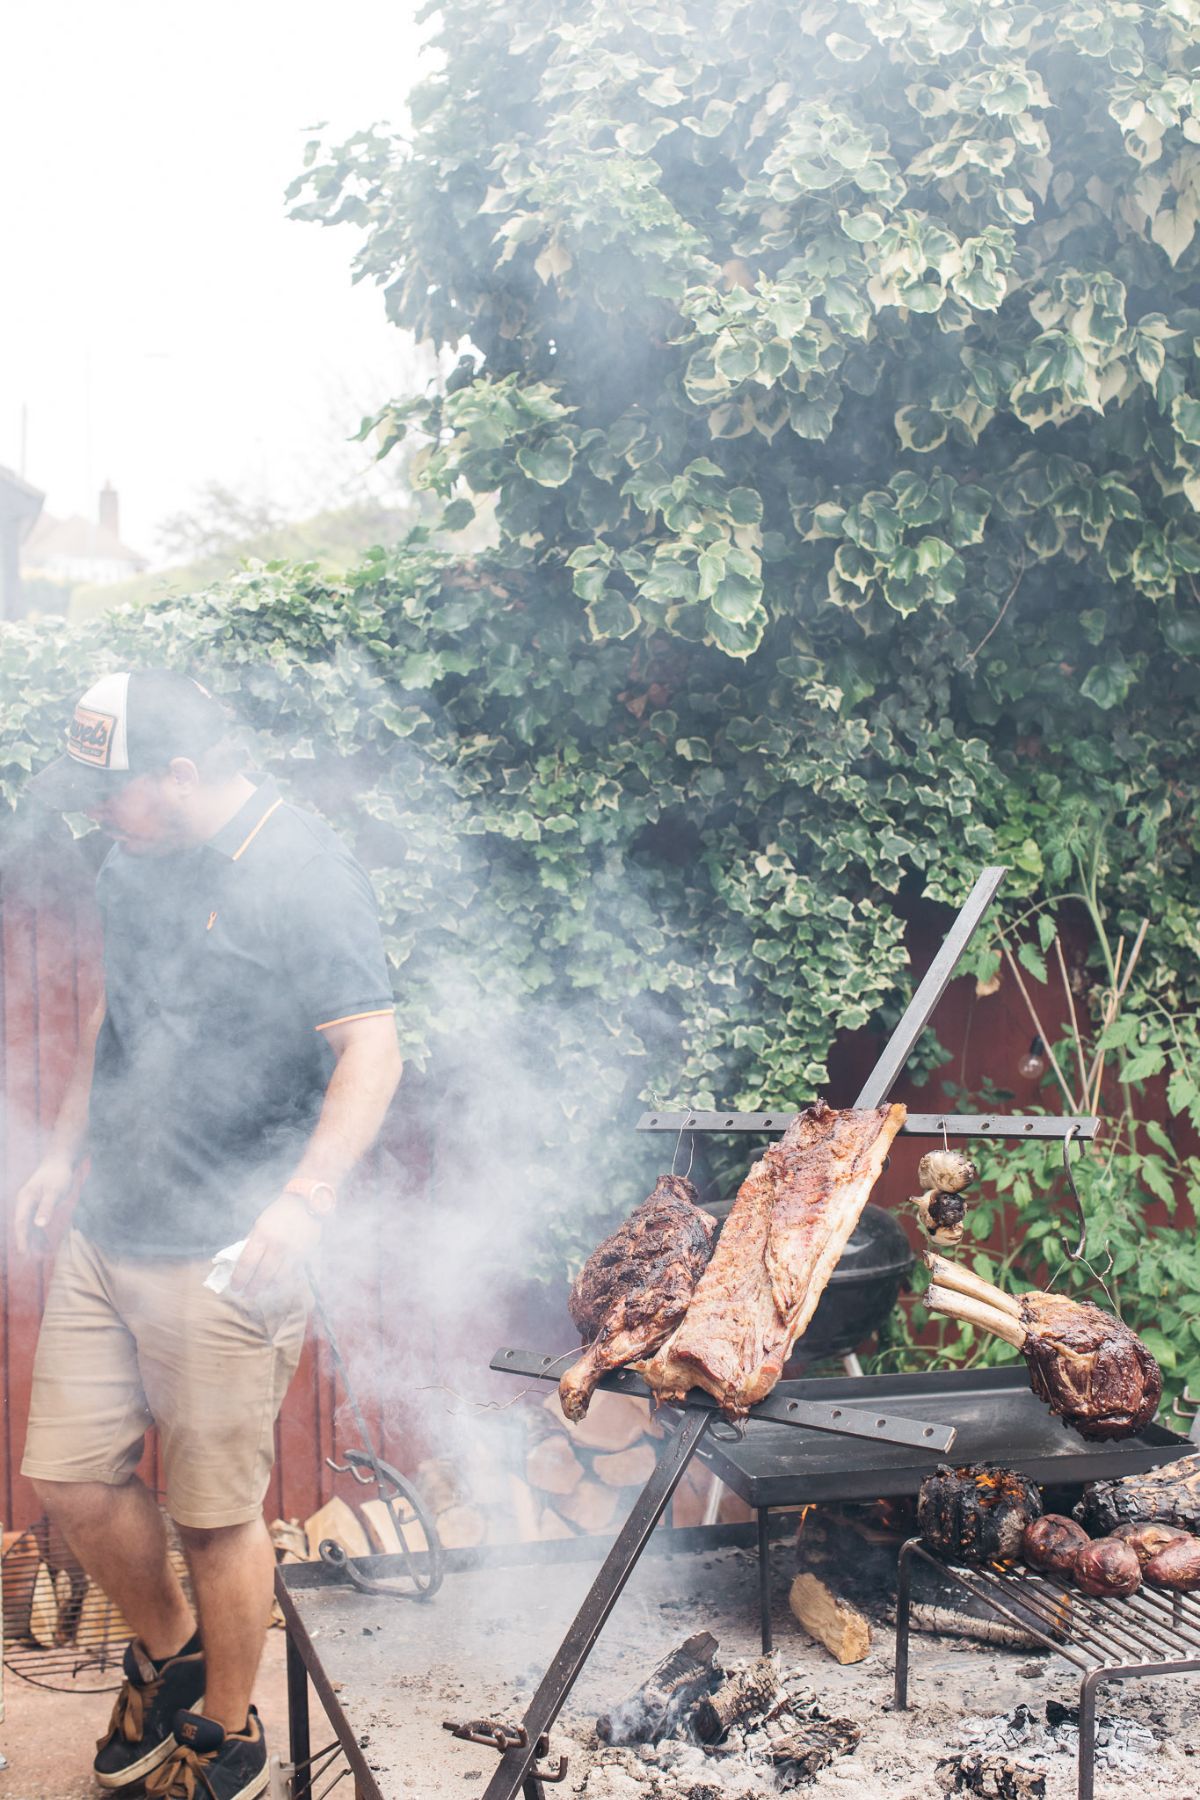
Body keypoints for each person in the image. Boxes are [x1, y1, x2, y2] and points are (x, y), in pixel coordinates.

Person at [16, 670, 403, 1800]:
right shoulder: (130, 859)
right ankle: (173, 1652)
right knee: (72, 1478)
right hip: (110, 1226)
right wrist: (61, 1149)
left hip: (234, 1247)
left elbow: (370, 1052)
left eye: (109, 793)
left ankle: (224, 1733)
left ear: (179, 777)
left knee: (216, 1513)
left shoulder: (303, 870)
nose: (94, 815)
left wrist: (303, 1203)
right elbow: (113, 1010)